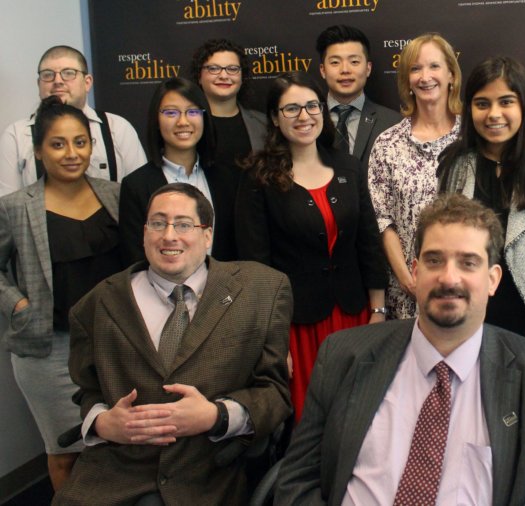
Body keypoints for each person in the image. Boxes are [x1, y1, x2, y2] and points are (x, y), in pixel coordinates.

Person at [274, 194, 525, 505]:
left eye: (468, 263)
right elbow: (298, 481)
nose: (449, 278)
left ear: (492, 280)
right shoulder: (343, 355)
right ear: (415, 271)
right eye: (434, 260)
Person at [55, 183, 292, 505]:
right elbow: (88, 389)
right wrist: (102, 422)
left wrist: (215, 415)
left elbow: (275, 392)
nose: (169, 235)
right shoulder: (96, 304)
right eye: (157, 223)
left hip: (208, 472)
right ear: (143, 233)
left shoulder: (262, 290)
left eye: (183, 224)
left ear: (207, 236)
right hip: (116, 474)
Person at [236, 73, 387, 422]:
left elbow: (369, 243)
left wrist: (378, 312)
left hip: (354, 318)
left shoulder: (348, 166)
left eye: (311, 106)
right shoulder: (259, 177)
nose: (303, 116)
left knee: (361, 416)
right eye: (291, 108)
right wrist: (273, 342)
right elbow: (255, 266)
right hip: (297, 326)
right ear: (274, 117)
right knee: (311, 421)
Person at [0, 96, 122, 491]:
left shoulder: (116, 195)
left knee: (120, 445)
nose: (72, 153)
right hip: (50, 352)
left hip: (115, 343)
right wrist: (18, 304)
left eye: (80, 142)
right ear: (38, 149)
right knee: (66, 452)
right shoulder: (16, 207)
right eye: (58, 144)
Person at [437, 55, 525, 351]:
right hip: (467, 325)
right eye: (482, 103)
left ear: (524, 106)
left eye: (505, 102)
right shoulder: (455, 165)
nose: (494, 114)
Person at [368, 33, 462, 319]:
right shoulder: (387, 144)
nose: (425, 77)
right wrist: (408, 279)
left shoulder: (473, 138)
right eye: (415, 68)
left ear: (451, 75)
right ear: (407, 80)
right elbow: (382, 220)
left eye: (434, 66)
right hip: (407, 296)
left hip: (466, 289)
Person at [119, 77, 239, 264]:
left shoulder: (228, 179)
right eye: (171, 112)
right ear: (156, 120)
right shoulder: (136, 186)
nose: (183, 121)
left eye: (192, 111)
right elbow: (136, 259)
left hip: (224, 290)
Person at [0, 45, 146, 196]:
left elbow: (140, 194)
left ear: (87, 82)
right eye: (48, 74)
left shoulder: (118, 128)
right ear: (39, 84)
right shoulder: (16, 135)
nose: (57, 81)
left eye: (68, 73)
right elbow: (7, 207)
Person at [316, 25, 402, 169]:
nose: (345, 70)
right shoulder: (307, 120)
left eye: (354, 62)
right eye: (335, 62)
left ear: (368, 68)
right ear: (323, 70)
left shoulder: (394, 124)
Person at [191, 39, 268, 169]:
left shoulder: (263, 124)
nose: (223, 75)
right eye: (214, 68)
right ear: (199, 76)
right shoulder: (187, 122)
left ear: (242, 77)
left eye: (232, 69)